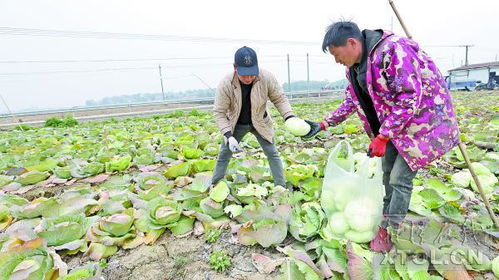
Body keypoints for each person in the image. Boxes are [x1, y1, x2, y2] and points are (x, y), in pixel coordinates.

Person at [304, 21, 460, 252]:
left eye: (337, 54)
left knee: (399, 179)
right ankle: (386, 216)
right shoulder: (354, 68)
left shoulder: (393, 50)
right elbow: (352, 100)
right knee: (387, 173)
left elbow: (409, 97)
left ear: (352, 43)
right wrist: (325, 123)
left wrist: (383, 136)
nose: (337, 60)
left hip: (423, 123)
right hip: (394, 126)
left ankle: (391, 228)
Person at [212, 46, 298, 188]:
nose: (249, 78)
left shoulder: (266, 77)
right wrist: (228, 135)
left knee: (272, 153)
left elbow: (279, 99)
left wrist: (289, 116)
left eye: (252, 74)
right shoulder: (226, 83)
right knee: (224, 154)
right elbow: (219, 112)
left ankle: (281, 187)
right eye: (244, 74)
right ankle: (215, 185)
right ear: (235, 68)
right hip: (236, 123)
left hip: (260, 121)